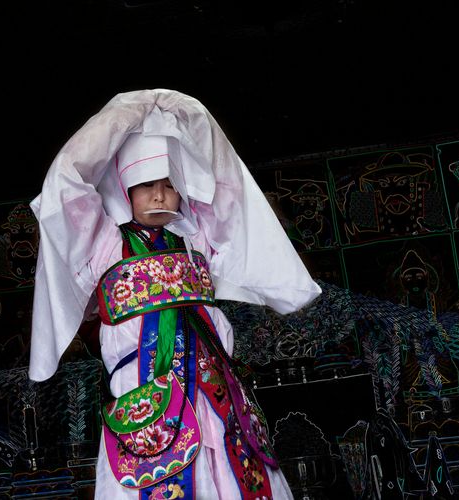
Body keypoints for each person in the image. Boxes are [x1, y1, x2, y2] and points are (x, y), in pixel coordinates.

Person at [28, 89, 321, 499]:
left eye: (169, 184)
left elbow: (226, 181)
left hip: (214, 392)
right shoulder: (106, 244)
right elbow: (66, 184)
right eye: (146, 185)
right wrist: (125, 114)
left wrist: (189, 116)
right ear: (125, 190)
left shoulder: (195, 238)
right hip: (145, 397)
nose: (160, 194)